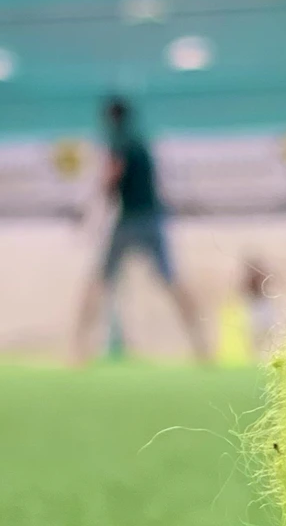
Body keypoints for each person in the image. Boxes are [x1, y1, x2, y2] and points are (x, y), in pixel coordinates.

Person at [75, 96, 210, 363]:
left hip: (132, 220)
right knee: (172, 280)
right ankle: (202, 346)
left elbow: (111, 177)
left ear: (110, 117)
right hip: (152, 218)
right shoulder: (139, 141)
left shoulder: (119, 140)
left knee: (99, 280)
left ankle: (78, 350)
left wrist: (91, 213)